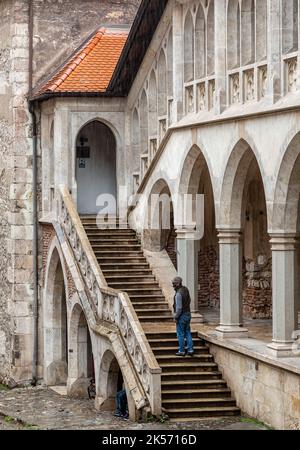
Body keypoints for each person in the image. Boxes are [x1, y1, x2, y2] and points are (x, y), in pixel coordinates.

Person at [172, 276, 194, 357]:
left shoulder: (178, 294)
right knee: (187, 332)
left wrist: (175, 317)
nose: (173, 285)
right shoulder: (185, 289)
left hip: (181, 315)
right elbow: (189, 300)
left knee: (180, 333)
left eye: (174, 283)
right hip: (188, 314)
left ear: (177, 284)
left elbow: (179, 308)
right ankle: (190, 349)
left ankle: (181, 350)